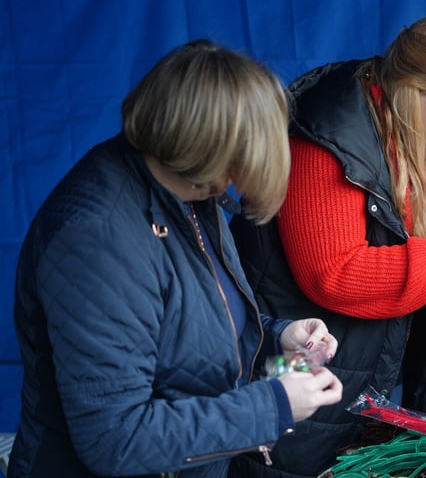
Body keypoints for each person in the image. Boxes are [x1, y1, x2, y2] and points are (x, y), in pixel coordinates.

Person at [7, 40, 343, 478]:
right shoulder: (98, 237)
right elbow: (115, 440)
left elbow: (181, 325)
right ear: (206, 149)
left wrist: (276, 338)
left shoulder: (188, 191)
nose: (243, 175)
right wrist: (272, 407)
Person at [229, 15, 426, 477]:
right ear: (412, 90)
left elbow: (424, 258)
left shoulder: (420, 140)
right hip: (298, 383)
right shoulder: (324, 145)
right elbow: (335, 275)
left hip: (369, 384)